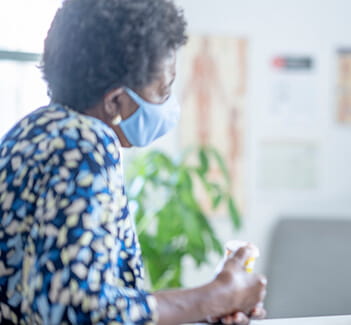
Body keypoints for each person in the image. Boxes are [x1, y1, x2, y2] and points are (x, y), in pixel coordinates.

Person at [0, 0, 266, 324]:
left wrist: (204, 309)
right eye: (163, 91)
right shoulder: (86, 145)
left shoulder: (31, 131)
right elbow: (78, 310)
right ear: (116, 102)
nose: (169, 105)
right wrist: (216, 295)